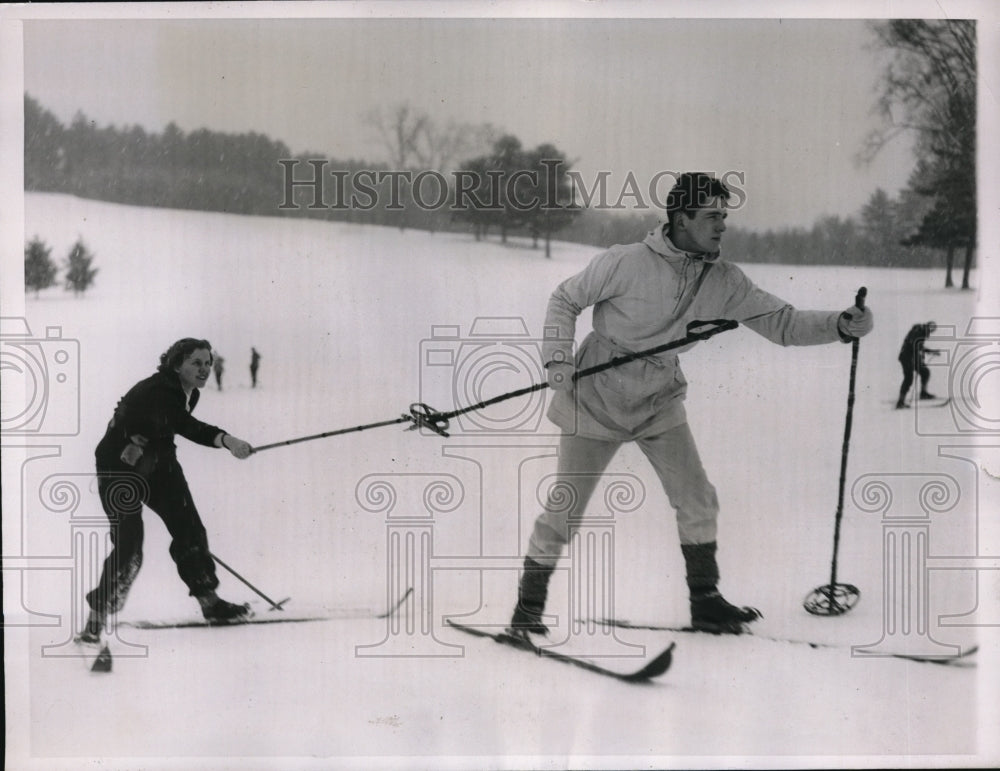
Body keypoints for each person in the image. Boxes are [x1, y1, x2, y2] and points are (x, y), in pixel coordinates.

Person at [510, 172, 874, 636]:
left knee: (697, 498)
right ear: (681, 219)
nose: (722, 225)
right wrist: (558, 358)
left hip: (659, 400)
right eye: (711, 216)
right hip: (595, 398)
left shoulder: (724, 281)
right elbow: (565, 299)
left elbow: (783, 324)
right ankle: (527, 610)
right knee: (566, 508)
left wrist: (840, 325)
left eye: (724, 215)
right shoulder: (626, 262)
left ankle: (705, 602)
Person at [76, 338, 255, 644]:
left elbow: (169, 426)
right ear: (176, 364)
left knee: (189, 529)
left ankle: (210, 604)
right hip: (119, 468)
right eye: (195, 363)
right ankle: (95, 621)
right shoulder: (160, 390)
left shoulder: (188, 392)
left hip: (159, 464)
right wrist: (228, 441)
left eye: (208, 362)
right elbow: (187, 426)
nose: (204, 369)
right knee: (130, 544)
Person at [895, 321, 941, 408]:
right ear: (927, 326)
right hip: (906, 358)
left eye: (932, 330)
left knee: (925, 372)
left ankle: (923, 393)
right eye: (931, 329)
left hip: (913, 358)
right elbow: (914, 345)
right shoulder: (918, 331)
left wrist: (930, 352)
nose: (930, 331)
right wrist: (926, 352)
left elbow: (918, 346)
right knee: (908, 378)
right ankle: (900, 402)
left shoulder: (921, 332)